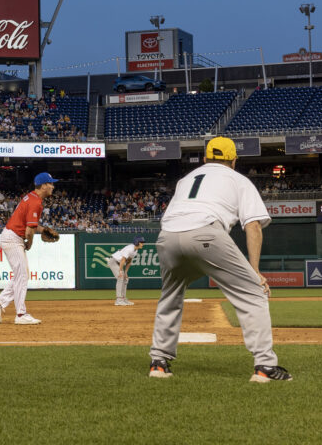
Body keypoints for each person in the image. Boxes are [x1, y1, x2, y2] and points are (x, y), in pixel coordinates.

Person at [149, 137, 291, 382]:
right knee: (253, 293)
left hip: (167, 237)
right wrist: (254, 270)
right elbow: (253, 226)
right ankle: (265, 367)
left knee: (170, 295)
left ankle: (159, 363)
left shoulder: (186, 179)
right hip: (206, 232)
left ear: (205, 159)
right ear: (234, 160)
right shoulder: (238, 179)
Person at [0, 172, 58, 325]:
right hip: (13, 238)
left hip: (12, 237)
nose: (53, 186)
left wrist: (42, 230)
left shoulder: (31, 197)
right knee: (22, 276)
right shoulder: (36, 202)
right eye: (51, 183)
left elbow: (30, 225)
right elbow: (28, 230)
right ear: (44, 185)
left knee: (21, 275)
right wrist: (30, 243)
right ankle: (20, 314)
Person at [107, 238, 145, 306]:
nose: (143, 244)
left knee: (126, 278)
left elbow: (129, 262)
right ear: (137, 242)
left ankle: (123, 299)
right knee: (120, 278)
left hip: (119, 263)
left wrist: (126, 273)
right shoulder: (129, 249)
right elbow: (122, 260)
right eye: (141, 242)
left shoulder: (135, 251)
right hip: (113, 261)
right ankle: (118, 300)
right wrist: (121, 271)